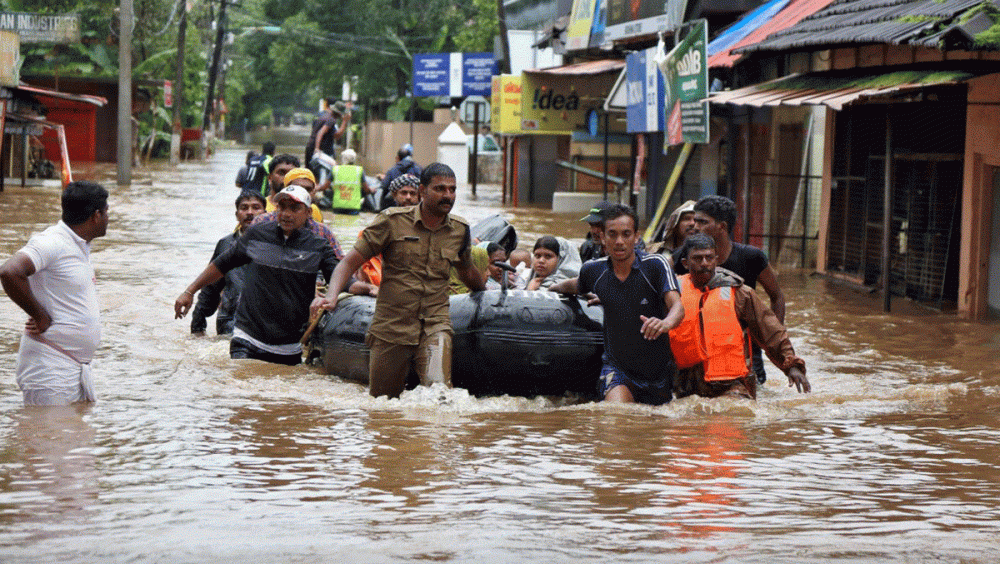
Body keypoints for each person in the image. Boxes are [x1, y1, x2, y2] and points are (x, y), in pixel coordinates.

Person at [314, 162, 485, 398]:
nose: (448, 195)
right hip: (391, 327)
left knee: (439, 395)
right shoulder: (391, 222)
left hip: (435, 324)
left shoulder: (459, 230)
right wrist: (332, 297)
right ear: (423, 191)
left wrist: (487, 293)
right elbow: (348, 263)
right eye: (440, 189)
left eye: (452, 189)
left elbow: (467, 271)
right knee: (384, 403)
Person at [174, 185, 342, 365]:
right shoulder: (257, 234)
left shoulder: (318, 246)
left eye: (294, 208)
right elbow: (221, 264)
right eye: (282, 207)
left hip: (289, 346)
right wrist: (189, 291)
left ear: (308, 212)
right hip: (247, 338)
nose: (286, 214)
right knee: (241, 379)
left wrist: (358, 289)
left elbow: (341, 277)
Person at [549, 204, 683, 405]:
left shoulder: (655, 265)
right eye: (612, 234)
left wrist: (665, 323)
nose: (619, 241)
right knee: (616, 417)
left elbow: (677, 307)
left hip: (658, 373)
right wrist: (549, 288)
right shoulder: (593, 270)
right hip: (618, 369)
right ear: (602, 237)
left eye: (626, 234)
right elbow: (575, 285)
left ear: (636, 237)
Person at [0, 181, 109, 405]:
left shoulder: (79, 245)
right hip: (50, 367)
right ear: (96, 216)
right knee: (49, 428)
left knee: (71, 428)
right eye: (107, 212)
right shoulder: (53, 242)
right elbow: (10, 272)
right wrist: (39, 315)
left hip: (72, 367)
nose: (109, 218)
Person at [670, 234, 809, 399]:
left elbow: (771, 331)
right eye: (697, 258)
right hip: (686, 384)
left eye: (709, 257)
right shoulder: (672, 293)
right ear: (685, 263)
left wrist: (791, 366)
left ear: (716, 260)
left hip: (732, 384)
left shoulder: (739, 293)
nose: (704, 263)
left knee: (735, 410)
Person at [671, 195, 785, 385]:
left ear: (722, 227)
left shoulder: (752, 257)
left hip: (745, 353)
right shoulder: (683, 258)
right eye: (694, 220)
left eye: (702, 222)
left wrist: (771, 338)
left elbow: (777, 297)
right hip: (698, 359)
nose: (694, 226)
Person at [190, 192, 267, 336]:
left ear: (265, 213)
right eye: (244, 208)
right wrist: (197, 326)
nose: (250, 212)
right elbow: (211, 287)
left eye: (256, 207)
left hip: (264, 322)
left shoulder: (275, 243)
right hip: (230, 322)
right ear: (237, 215)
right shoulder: (226, 244)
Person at [305, 98, 351, 178]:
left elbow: (335, 135)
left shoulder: (324, 116)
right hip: (319, 151)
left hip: (310, 148)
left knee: (310, 176)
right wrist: (344, 122)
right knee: (329, 173)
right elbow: (321, 133)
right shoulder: (331, 120)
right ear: (339, 113)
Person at [378, 145, 422, 210]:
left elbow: (384, 186)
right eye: (404, 193)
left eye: (412, 193)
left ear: (398, 158)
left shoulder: (393, 169)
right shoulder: (419, 169)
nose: (408, 197)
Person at [329, 149, 372, 215]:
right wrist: (371, 190)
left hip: (338, 206)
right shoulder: (359, 170)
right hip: (353, 208)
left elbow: (325, 186)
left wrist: (316, 188)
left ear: (343, 158)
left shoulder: (335, 169)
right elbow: (366, 189)